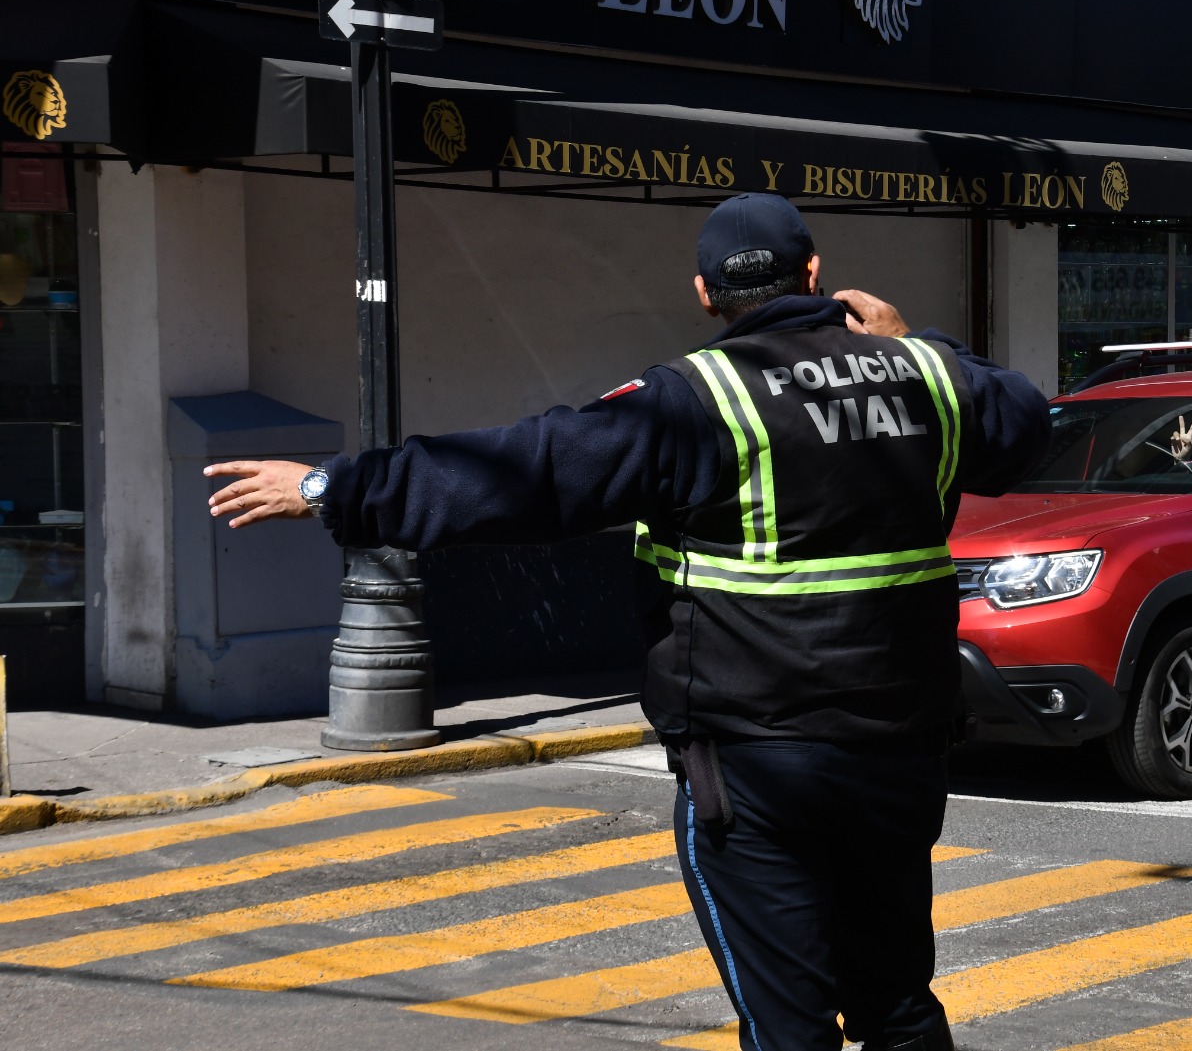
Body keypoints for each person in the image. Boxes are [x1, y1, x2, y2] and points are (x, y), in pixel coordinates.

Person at [204, 192, 1050, 1051]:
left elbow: (526, 470)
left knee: (790, 1028)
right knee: (898, 1003)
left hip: (758, 769)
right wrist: (921, 344)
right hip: (900, 757)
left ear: (705, 293)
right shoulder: (926, 376)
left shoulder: (698, 398)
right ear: (815, 273)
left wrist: (334, 487)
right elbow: (1025, 420)